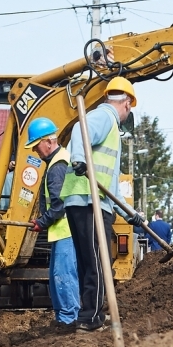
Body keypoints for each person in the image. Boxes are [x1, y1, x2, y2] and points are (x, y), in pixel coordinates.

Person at [60, 77, 137, 332]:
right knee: (97, 261)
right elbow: (80, 131)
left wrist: (131, 214)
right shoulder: (105, 117)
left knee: (88, 261)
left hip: (87, 199)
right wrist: (80, 159)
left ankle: (88, 314)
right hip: (88, 199)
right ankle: (90, 318)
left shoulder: (110, 127)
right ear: (126, 103)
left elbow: (111, 183)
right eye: (130, 107)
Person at [26, 117, 80, 333]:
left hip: (65, 228)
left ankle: (69, 320)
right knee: (58, 274)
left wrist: (41, 222)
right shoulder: (62, 160)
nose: (36, 152)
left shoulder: (57, 166)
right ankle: (63, 317)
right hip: (65, 228)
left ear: (48, 141)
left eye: (36, 146)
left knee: (63, 274)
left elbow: (59, 205)